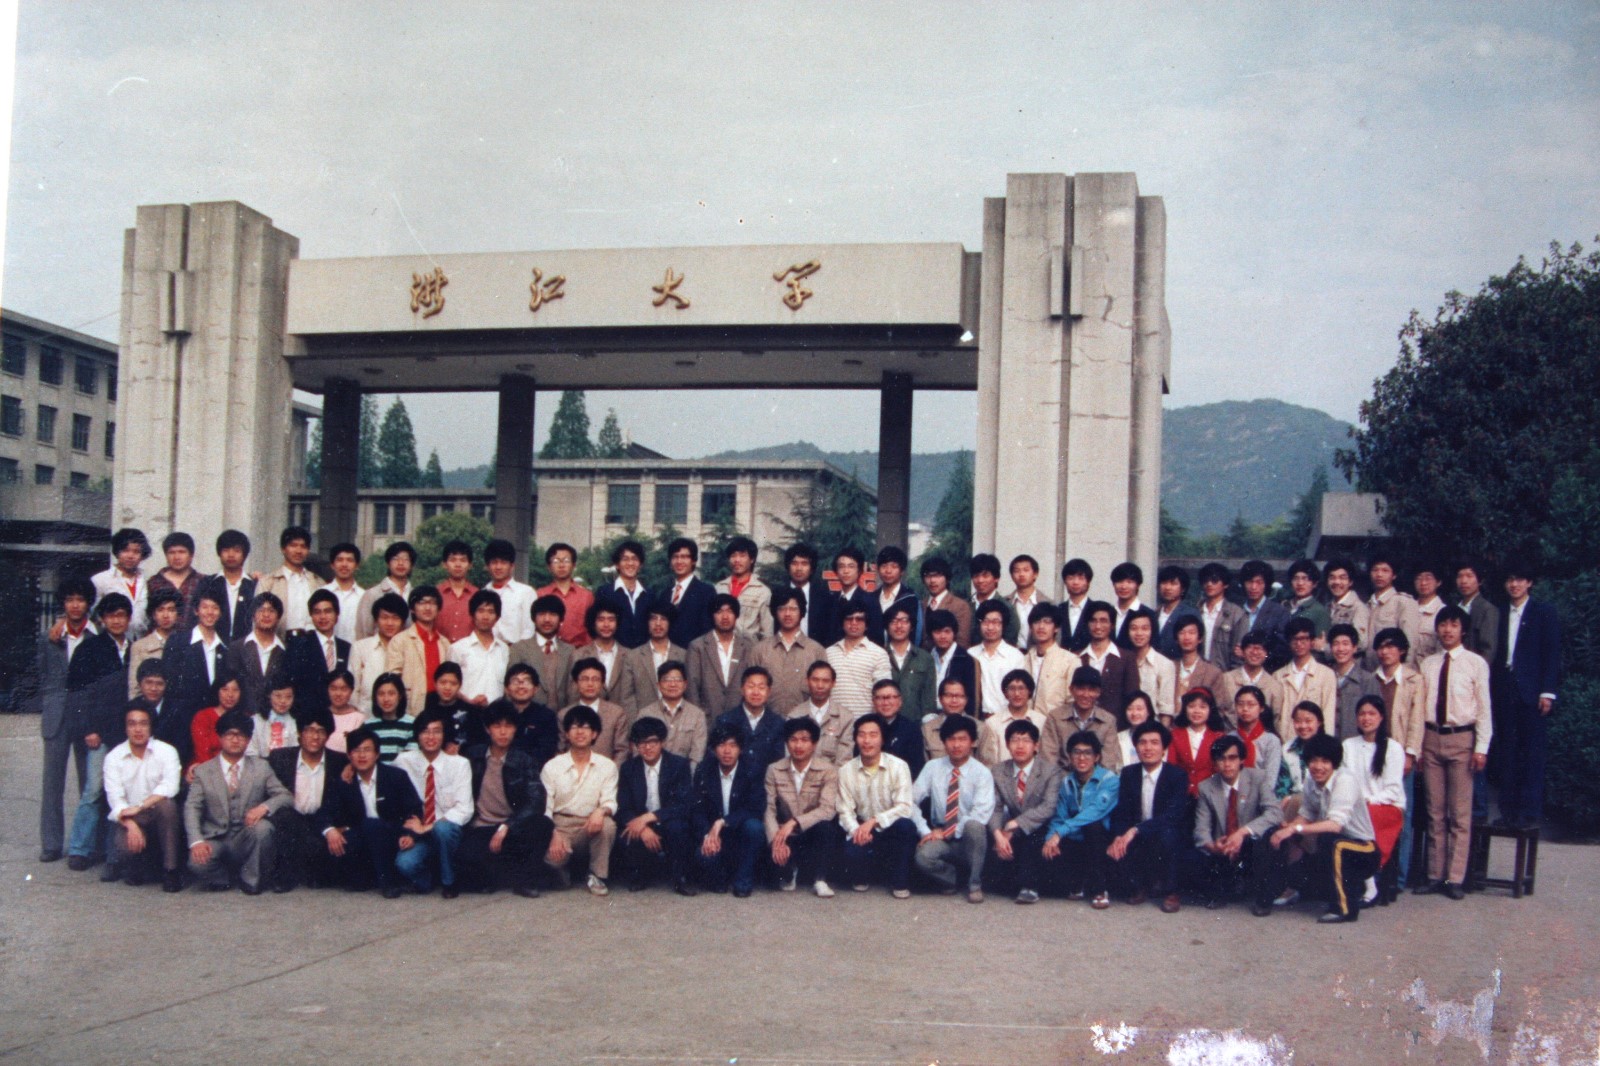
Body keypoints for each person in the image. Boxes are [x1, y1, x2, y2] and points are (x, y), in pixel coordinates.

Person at [1416, 605, 1491, 899]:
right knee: (1435, 811)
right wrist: (1418, 747)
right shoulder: (1429, 664)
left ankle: (1455, 878)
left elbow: (1484, 709)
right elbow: (1421, 707)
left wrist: (1481, 748)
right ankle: (1435, 874)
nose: (1447, 630)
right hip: (1432, 738)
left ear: (1463, 630)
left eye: (1454, 625)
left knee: (1459, 813)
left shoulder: (1475, 663)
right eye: (1443, 624)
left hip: (1462, 739)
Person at [1267, 734, 1380, 923]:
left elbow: (1335, 825)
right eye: (1314, 760)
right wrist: (1288, 828)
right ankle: (1294, 890)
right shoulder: (1311, 780)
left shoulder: (1345, 780)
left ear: (1334, 763)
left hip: (1364, 850)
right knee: (1297, 839)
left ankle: (1345, 910)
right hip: (1333, 846)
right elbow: (1306, 814)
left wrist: (1295, 829)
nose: (1318, 766)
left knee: (1333, 842)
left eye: (1325, 761)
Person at [62, 592, 133, 870]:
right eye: (111, 616)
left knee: (121, 792)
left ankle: (111, 850)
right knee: (93, 791)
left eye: (121, 615)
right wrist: (88, 728)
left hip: (128, 732)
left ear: (128, 619)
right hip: (100, 732)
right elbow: (77, 694)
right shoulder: (89, 649)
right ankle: (80, 848)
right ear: (102, 619)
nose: (116, 621)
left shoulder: (133, 647)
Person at [184, 712, 291, 894]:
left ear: (248, 740)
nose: (235, 740)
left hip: (245, 835)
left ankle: (251, 879)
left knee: (263, 828)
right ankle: (225, 878)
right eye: (229, 734)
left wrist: (263, 807)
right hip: (216, 838)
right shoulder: (203, 770)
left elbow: (286, 796)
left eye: (241, 735)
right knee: (196, 863)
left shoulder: (261, 767)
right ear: (220, 737)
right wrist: (196, 841)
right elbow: (192, 807)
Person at [1492, 561, 1562, 829]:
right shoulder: (1500, 612)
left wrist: (1548, 692)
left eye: (1520, 579)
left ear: (1529, 583)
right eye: (1510, 579)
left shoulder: (1543, 612)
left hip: (1532, 692)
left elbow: (1552, 654)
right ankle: (1508, 812)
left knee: (1532, 753)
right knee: (1507, 752)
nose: (1514, 584)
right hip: (1505, 689)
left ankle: (1530, 813)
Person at [456, 702, 553, 898]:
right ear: (488, 729)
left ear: (515, 729)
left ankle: (525, 882)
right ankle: (493, 875)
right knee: (467, 866)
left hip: (511, 828)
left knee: (542, 824)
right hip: (481, 827)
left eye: (508, 726)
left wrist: (507, 826)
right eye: (497, 726)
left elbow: (536, 800)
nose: (502, 732)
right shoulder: (473, 756)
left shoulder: (524, 760)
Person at [37, 576, 98, 863]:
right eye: (70, 600)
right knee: (52, 784)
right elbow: (43, 675)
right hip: (57, 715)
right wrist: (51, 702)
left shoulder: (95, 637)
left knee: (89, 784)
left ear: (88, 604)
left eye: (80, 600)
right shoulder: (50, 638)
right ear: (63, 603)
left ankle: (86, 844)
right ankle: (51, 844)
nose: (75, 605)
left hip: (85, 716)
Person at [1191, 734, 1284, 915]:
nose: (1227, 764)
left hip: (1252, 841)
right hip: (1224, 844)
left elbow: (1275, 812)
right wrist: (1212, 846)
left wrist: (1242, 833)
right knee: (1196, 860)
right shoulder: (1206, 787)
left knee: (1268, 840)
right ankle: (1224, 890)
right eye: (1221, 759)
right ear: (1215, 763)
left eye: (1232, 758)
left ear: (1242, 760)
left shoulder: (1258, 778)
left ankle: (1263, 901)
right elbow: (1201, 827)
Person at [391, 708, 475, 897]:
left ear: (444, 735)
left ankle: (449, 881)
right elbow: (383, 778)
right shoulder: (404, 761)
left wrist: (428, 827)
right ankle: (426, 881)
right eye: (425, 731)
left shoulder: (459, 764)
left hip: (447, 831)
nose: (430, 737)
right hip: (418, 833)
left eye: (436, 731)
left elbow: (465, 809)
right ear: (417, 735)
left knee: (442, 829)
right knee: (405, 863)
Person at [265, 707, 351, 892]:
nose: (315, 736)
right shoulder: (280, 758)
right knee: (285, 818)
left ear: (328, 736)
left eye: (321, 731)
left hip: (321, 821)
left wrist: (351, 767)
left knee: (322, 874)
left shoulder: (340, 762)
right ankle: (284, 876)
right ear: (299, 733)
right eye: (309, 730)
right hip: (291, 819)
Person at [1107, 720, 1189, 912]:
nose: (1148, 748)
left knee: (1168, 836)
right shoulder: (1129, 773)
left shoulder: (1177, 775)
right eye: (1142, 743)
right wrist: (1118, 836)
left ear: (1164, 749)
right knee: (1117, 841)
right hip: (1138, 832)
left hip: (1164, 830)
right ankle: (1139, 887)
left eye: (1154, 742)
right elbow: (1122, 811)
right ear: (1136, 747)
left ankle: (1171, 892)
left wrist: (1135, 830)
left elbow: (1173, 815)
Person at [102, 704, 185, 891]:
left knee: (167, 805)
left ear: (151, 726)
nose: (138, 729)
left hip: (158, 812)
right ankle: (138, 865)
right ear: (125, 728)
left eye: (143, 723)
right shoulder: (113, 757)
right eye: (132, 724)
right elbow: (115, 800)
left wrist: (140, 806)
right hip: (132, 817)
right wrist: (130, 824)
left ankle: (170, 870)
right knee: (124, 846)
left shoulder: (167, 751)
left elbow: (170, 786)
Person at [911, 715, 994, 902]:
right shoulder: (932, 767)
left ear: (973, 742)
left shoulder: (982, 773)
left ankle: (974, 884)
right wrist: (925, 831)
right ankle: (952, 879)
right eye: (951, 739)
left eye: (962, 739)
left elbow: (981, 813)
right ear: (943, 742)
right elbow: (909, 801)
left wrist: (949, 832)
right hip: (940, 833)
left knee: (975, 826)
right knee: (923, 857)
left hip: (968, 838)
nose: (956, 745)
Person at [334, 725, 424, 898]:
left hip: (392, 833)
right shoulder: (344, 781)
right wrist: (330, 830)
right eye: (356, 750)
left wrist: (410, 835)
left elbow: (414, 810)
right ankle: (365, 877)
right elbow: (326, 811)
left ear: (377, 754)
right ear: (349, 755)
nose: (362, 755)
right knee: (350, 836)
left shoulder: (396, 776)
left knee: (372, 825)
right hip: (362, 835)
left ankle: (388, 882)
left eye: (367, 750)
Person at [837, 713, 918, 898]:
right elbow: (844, 810)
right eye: (862, 735)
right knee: (850, 853)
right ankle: (863, 875)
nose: (867, 741)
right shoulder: (846, 771)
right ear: (855, 739)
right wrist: (857, 831)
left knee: (906, 826)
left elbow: (904, 807)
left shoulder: (899, 766)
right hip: (862, 830)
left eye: (873, 735)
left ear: (883, 739)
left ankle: (899, 882)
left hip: (889, 828)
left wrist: (874, 821)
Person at [541, 706, 619, 895]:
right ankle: (563, 871)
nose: (580, 732)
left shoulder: (607, 766)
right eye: (575, 727)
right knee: (554, 862)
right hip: (561, 825)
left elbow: (610, 801)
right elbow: (545, 807)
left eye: (586, 727)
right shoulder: (552, 766)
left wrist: (600, 811)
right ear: (567, 734)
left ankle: (596, 875)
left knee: (607, 825)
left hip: (589, 825)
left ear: (594, 734)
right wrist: (552, 832)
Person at [615, 716, 695, 895]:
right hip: (642, 823)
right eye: (641, 743)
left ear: (662, 742)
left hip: (668, 819)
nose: (647, 747)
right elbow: (623, 807)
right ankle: (639, 876)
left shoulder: (678, 765)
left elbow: (683, 804)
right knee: (629, 830)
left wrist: (650, 817)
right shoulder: (628, 768)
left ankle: (680, 879)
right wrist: (643, 827)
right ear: (635, 745)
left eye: (652, 742)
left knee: (678, 828)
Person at [1371, 627, 1426, 889]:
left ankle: (1399, 876)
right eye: (1381, 647)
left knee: (1402, 814)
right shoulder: (1372, 679)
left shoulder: (1414, 680)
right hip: (1374, 753)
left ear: (1402, 650)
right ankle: (1375, 873)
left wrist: (1411, 753)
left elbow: (1417, 719)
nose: (1385, 652)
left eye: (1391, 646)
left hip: (1400, 752)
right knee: (1374, 812)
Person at [1041, 729, 1120, 909]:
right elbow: (1059, 816)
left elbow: (1094, 812)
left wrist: (1060, 833)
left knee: (1092, 826)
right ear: (1069, 756)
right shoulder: (1067, 782)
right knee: (1048, 851)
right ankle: (1078, 883)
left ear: (1097, 757)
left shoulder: (1109, 780)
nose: (1082, 758)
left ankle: (1100, 890)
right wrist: (1050, 838)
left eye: (1087, 753)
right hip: (1076, 838)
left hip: (1102, 839)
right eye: (1076, 752)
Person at [764, 717, 842, 898]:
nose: (798, 745)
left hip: (811, 832)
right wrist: (775, 841)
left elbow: (827, 809)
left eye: (805, 740)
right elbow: (769, 808)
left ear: (814, 744)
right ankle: (790, 870)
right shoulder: (774, 769)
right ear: (786, 743)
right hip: (784, 834)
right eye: (793, 740)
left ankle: (820, 879)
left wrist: (795, 822)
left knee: (826, 827)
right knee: (775, 871)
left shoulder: (828, 770)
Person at [988, 719, 1062, 904]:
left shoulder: (1050, 771)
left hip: (1041, 825)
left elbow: (1048, 807)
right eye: (1014, 740)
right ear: (1007, 745)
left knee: (1033, 837)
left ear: (1036, 746)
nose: (1020, 746)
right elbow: (995, 807)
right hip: (1010, 828)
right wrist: (998, 835)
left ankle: (1029, 887)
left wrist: (1014, 825)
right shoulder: (998, 771)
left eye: (1026, 740)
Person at [1343, 695, 1406, 904]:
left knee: (1363, 820)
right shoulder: (1349, 745)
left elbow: (1393, 790)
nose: (1366, 718)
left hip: (1387, 806)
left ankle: (1370, 887)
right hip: (1357, 806)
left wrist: (1367, 801)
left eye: (1372, 714)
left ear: (1381, 717)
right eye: (1362, 714)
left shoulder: (1393, 748)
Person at [692, 725, 767, 896]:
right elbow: (697, 809)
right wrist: (707, 835)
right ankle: (720, 878)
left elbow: (755, 807)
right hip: (714, 835)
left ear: (741, 749)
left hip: (740, 831)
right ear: (713, 749)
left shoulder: (752, 769)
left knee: (755, 827)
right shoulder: (704, 769)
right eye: (721, 745)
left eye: (733, 745)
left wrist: (724, 822)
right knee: (704, 856)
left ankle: (743, 880)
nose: (727, 751)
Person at [162, 587, 228, 746]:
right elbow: (169, 685)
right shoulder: (178, 642)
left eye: (215, 608)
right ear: (196, 611)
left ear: (220, 612)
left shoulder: (225, 648)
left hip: (215, 723)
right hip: (183, 722)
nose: (210, 612)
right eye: (205, 607)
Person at [746, 588, 826, 715]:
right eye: (782, 609)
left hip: (805, 723)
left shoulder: (816, 651)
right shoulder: (759, 650)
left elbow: (823, 694)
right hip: (768, 722)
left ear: (802, 612)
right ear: (775, 612)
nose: (787, 614)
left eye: (793, 609)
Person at [686, 593, 756, 724]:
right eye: (719, 612)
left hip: (740, 720)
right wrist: (697, 719)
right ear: (712, 616)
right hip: (706, 719)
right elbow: (692, 688)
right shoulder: (697, 646)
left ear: (736, 616)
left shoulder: (747, 646)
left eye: (730, 611)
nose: (725, 616)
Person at [1040, 665, 1121, 773]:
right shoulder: (1055, 717)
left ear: (1098, 692)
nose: (1086, 695)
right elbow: (1048, 761)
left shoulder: (1108, 721)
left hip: (1097, 781)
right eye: (1081, 688)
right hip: (1061, 780)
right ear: (1071, 690)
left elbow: (1108, 764)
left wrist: (1092, 782)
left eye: (1092, 690)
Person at [283, 588, 350, 718]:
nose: (322, 617)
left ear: (337, 615)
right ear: (311, 616)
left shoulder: (346, 648)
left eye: (328, 611)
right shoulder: (298, 646)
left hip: (340, 716)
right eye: (317, 612)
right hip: (309, 718)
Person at [613, 603, 687, 716]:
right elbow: (626, 697)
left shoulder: (683, 655)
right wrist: (638, 723)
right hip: (643, 721)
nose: (658, 623)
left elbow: (689, 694)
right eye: (653, 619)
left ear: (670, 623)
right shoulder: (633, 656)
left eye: (663, 619)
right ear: (647, 623)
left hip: (678, 720)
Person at [386, 585, 451, 711]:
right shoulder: (400, 641)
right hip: (411, 705)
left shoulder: (444, 643)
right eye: (421, 603)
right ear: (412, 609)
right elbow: (392, 679)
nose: (427, 607)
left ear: (438, 609)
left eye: (432, 603)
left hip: (441, 705)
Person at [222, 592, 288, 717]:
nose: (266, 615)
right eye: (261, 610)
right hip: (243, 718)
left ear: (278, 617)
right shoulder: (236, 648)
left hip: (276, 719)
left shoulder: (286, 651)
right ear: (253, 615)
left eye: (271, 611)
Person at [508, 594, 578, 711]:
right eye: (542, 614)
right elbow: (511, 687)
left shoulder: (570, 651)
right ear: (533, 618)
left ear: (561, 619)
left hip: (563, 716)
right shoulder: (519, 649)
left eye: (553, 614)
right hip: (528, 716)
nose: (547, 619)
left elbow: (574, 689)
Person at [826, 603, 893, 719]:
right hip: (834, 721)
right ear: (842, 623)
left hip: (865, 722)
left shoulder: (878, 653)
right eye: (849, 619)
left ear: (866, 625)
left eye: (859, 619)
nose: (854, 623)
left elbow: (884, 692)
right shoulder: (829, 653)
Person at [711, 667, 787, 769]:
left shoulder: (778, 723)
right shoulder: (725, 720)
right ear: (742, 689)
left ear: (769, 692)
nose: (756, 692)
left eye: (761, 687)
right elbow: (714, 760)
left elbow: (779, 762)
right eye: (751, 686)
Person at [635, 661, 707, 765]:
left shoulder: (697, 715)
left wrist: (686, 774)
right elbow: (638, 751)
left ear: (685, 684)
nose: (673, 684)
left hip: (685, 773)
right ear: (658, 685)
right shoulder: (645, 714)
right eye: (667, 680)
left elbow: (697, 755)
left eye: (678, 680)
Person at [257, 526, 323, 637]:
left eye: (303, 546)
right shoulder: (268, 582)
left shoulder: (318, 582)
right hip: (280, 640)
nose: (298, 551)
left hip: (312, 640)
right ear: (283, 549)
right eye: (293, 545)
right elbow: (258, 617)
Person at [788, 660, 855, 768]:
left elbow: (844, 761)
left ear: (833, 683)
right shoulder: (794, 716)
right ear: (807, 681)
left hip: (833, 777)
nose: (820, 685)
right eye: (815, 680)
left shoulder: (845, 718)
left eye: (825, 681)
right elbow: (790, 758)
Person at [562, 658, 631, 763]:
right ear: (576, 682)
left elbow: (622, 750)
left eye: (595, 679)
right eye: (585, 679)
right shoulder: (564, 714)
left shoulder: (616, 713)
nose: (590, 684)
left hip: (607, 771)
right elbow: (561, 750)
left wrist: (610, 771)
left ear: (602, 683)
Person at [1274, 618, 1336, 732]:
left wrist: (1326, 741)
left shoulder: (1326, 674)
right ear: (1288, 641)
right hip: (1285, 739)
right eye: (1294, 639)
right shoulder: (1278, 676)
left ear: (1312, 641)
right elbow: (1276, 716)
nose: (1299, 644)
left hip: (1315, 740)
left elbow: (1328, 715)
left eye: (1304, 639)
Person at [1216, 631, 1285, 734]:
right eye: (1250, 647)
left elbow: (1276, 720)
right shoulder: (1226, 679)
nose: (1255, 652)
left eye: (1260, 648)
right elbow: (1219, 713)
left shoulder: (1274, 686)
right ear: (1242, 651)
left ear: (1267, 654)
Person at [348, 593, 406, 715]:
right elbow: (353, 688)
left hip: (399, 717)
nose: (390, 623)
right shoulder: (360, 647)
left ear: (403, 622)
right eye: (384, 617)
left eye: (395, 618)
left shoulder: (408, 648)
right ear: (376, 620)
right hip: (365, 716)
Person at [978, 670, 1049, 768]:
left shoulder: (1041, 721)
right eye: (1012, 689)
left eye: (1021, 688)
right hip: (1001, 775)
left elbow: (1045, 757)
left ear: (1029, 691)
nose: (1017, 694)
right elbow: (989, 762)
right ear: (1005, 693)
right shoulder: (992, 723)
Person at [199, 529, 258, 643]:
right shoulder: (208, 583)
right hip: (213, 643)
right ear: (219, 553)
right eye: (226, 550)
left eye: (237, 551)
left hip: (245, 645)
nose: (231, 555)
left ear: (244, 554)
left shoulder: (254, 585)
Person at [91, 528, 152, 639]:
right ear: (117, 552)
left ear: (142, 555)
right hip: (109, 640)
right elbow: (87, 613)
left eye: (136, 552)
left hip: (140, 640)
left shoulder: (146, 580)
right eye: (125, 550)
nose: (130, 556)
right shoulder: (100, 580)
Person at [451, 589, 509, 707]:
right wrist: (469, 702)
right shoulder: (458, 648)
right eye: (480, 611)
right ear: (472, 614)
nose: (485, 617)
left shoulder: (504, 649)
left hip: (497, 713)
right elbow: (449, 684)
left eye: (491, 612)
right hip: (466, 710)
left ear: (497, 617)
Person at [969, 600, 1025, 719]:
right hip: (976, 719)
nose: (990, 627)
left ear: (1003, 625)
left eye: (995, 622)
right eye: (985, 622)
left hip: (1006, 719)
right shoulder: (971, 654)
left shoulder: (1015, 657)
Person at [657, 536, 716, 649]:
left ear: (693, 561)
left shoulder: (706, 592)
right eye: (675, 557)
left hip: (693, 654)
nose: (679, 561)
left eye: (684, 557)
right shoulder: (665, 594)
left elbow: (707, 631)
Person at [1022, 604, 1081, 715]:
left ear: (1056, 628)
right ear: (1030, 627)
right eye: (1036, 622)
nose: (1041, 626)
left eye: (1047, 622)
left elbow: (1073, 700)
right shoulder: (1024, 660)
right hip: (1025, 722)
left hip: (1054, 723)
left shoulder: (1070, 661)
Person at [1168, 688, 1227, 797]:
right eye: (1191, 706)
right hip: (1181, 793)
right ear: (1185, 709)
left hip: (1210, 794)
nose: (1196, 711)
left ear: (1210, 710)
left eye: (1202, 707)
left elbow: (1219, 770)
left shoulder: (1218, 737)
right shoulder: (1175, 735)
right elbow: (1171, 767)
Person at [1078, 602, 1133, 717]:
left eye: (1103, 621)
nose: (1098, 626)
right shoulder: (1076, 656)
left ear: (1112, 625)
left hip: (1115, 724)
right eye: (1093, 621)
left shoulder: (1126, 658)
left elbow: (1131, 697)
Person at [599, 538, 656, 648]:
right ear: (617, 564)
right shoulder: (605, 592)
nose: (630, 563)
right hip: (614, 652)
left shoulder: (649, 595)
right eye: (625, 559)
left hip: (642, 654)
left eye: (635, 559)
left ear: (640, 565)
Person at [883, 602, 937, 719]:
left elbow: (929, 699)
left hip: (915, 723)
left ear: (912, 626)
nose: (899, 626)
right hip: (883, 723)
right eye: (893, 621)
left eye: (904, 621)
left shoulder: (925, 658)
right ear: (887, 627)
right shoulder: (878, 655)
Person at [1365, 555, 1419, 670]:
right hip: (1368, 672)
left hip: (1394, 671)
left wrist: (1404, 673)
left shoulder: (1403, 602)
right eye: (1375, 570)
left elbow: (1410, 643)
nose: (1379, 574)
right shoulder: (1366, 606)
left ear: (1394, 575)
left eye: (1385, 570)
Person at [1328, 623, 1382, 738]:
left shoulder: (1367, 680)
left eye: (1345, 644)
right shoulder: (1325, 677)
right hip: (1328, 743)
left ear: (1354, 648)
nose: (1340, 649)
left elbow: (1376, 716)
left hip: (1357, 743)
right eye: (1336, 644)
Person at [355, 542, 416, 642]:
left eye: (406, 559)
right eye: (395, 559)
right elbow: (364, 630)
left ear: (412, 565)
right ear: (388, 563)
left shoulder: (415, 596)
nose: (400, 563)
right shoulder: (373, 594)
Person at [127, 587, 180, 699]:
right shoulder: (139, 647)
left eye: (171, 610)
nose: (166, 615)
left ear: (178, 614)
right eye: (160, 610)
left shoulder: (187, 643)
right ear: (153, 614)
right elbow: (135, 689)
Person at [716, 536, 772, 643]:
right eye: (733, 556)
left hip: (750, 650)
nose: (737, 560)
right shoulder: (719, 588)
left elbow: (767, 633)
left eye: (742, 556)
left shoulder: (762, 592)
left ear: (752, 559)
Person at [537, 542, 593, 649]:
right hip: (549, 651)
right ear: (549, 567)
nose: (561, 565)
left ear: (574, 565)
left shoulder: (586, 596)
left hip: (579, 652)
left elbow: (592, 629)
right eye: (556, 561)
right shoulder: (541, 594)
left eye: (566, 561)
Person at [1235, 560, 1290, 667]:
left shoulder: (1279, 612)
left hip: (1266, 671)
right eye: (1249, 582)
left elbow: (1282, 650)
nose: (1253, 587)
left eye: (1259, 582)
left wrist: (1250, 656)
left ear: (1266, 584)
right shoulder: (1236, 609)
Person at [867, 678, 926, 777]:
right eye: (880, 698)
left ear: (900, 701)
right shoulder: (865, 725)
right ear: (873, 701)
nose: (885, 703)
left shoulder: (911, 729)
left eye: (890, 697)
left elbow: (916, 768)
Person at [483, 538, 536, 647]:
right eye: (494, 562)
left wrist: (518, 651)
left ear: (512, 566)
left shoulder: (526, 593)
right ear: (487, 566)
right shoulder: (482, 593)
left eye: (503, 562)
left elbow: (529, 629)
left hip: (516, 651)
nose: (498, 567)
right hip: (487, 650)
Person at [925, 609, 978, 715]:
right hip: (928, 715)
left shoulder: (965, 659)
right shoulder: (926, 657)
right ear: (931, 634)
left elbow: (970, 697)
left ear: (954, 633)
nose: (943, 636)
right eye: (937, 632)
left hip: (956, 716)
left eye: (947, 631)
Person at [1196, 563, 1247, 671]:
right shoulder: (1195, 612)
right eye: (1205, 580)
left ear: (1225, 584)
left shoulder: (1237, 614)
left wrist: (1231, 677)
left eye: (1214, 580)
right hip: (1197, 673)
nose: (1209, 584)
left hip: (1223, 674)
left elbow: (1238, 654)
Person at [1125, 613, 1175, 724]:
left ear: (1152, 631)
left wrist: (1161, 732)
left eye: (1144, 628)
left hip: (1153, 726)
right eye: (1134, 628)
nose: (1139, 633)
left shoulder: (1164, 664)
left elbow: (1166, 709)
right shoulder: (1123, 660)